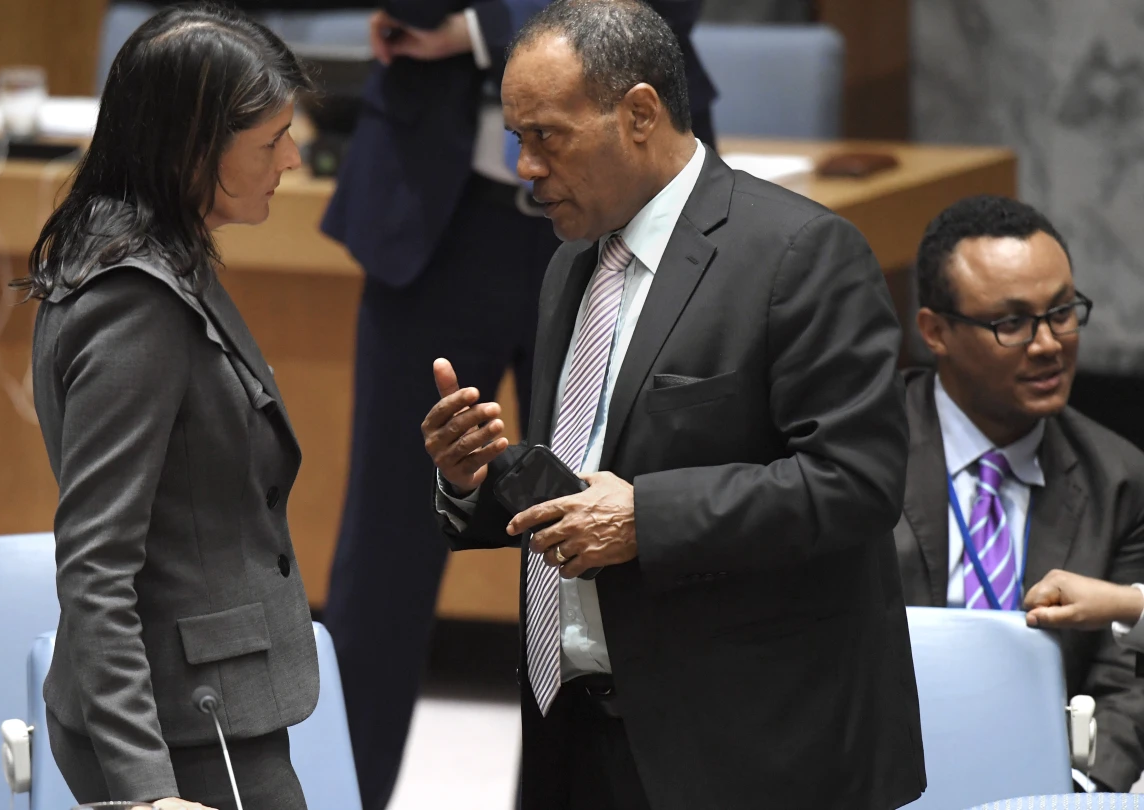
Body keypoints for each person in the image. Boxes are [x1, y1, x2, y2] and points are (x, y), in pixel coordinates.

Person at [422, 0, 926, 806]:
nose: (525, 166)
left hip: (747, 749)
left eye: (547, 135)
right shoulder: (571, 266)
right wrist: (478, 479)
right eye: (518, 139)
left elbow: (856, 482)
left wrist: (645, 520)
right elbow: (588, 482)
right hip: (575, 733)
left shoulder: (799, 255)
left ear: (640, 114)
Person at [318, 0, 715, 805]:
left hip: (613, 213)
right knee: (386, 548)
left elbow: (656, 14)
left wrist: (481, 29)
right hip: (434, 219)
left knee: (588, 527)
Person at [22, 6, 320, 808]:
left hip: (200, 701)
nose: (292, 158)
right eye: (269, 141)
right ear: (193, 150)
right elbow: (95, 561)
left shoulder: (145, 246)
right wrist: (149, 792)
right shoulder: (136, 299)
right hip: (183, 727)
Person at [891, 195, 1144, 792]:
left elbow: (1128, 679)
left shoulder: (1119, 480)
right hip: (879, 771)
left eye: (1061, 312)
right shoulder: (863, 453)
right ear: (935, 331)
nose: (1049, 343)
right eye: (1011, 323)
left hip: (1048, 779)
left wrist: (1073, 792)